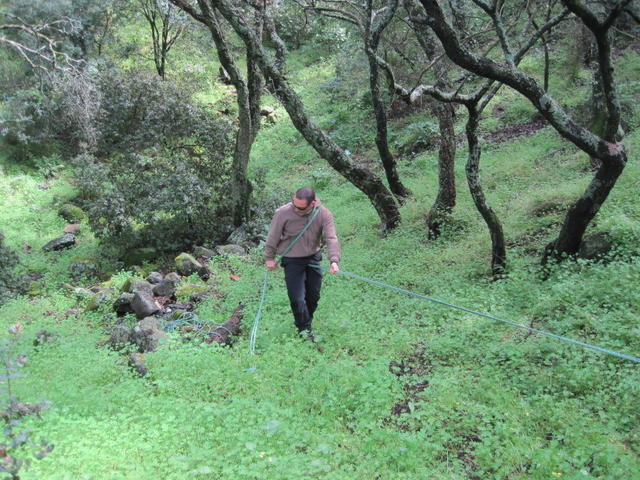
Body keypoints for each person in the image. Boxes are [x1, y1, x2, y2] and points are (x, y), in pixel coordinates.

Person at [264, 187, 340, 338]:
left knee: (313, 296)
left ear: (312, 203)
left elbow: (331, 238)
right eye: (294, 205)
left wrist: (334, 260)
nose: (296, 209)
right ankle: (304, 331)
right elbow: (273, 236)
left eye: (301, 208)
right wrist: (269, 258)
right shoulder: (283, 213)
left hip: (313, 258)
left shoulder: (323, 214)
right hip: (292, 259)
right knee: (297, 298)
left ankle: (306, 321)